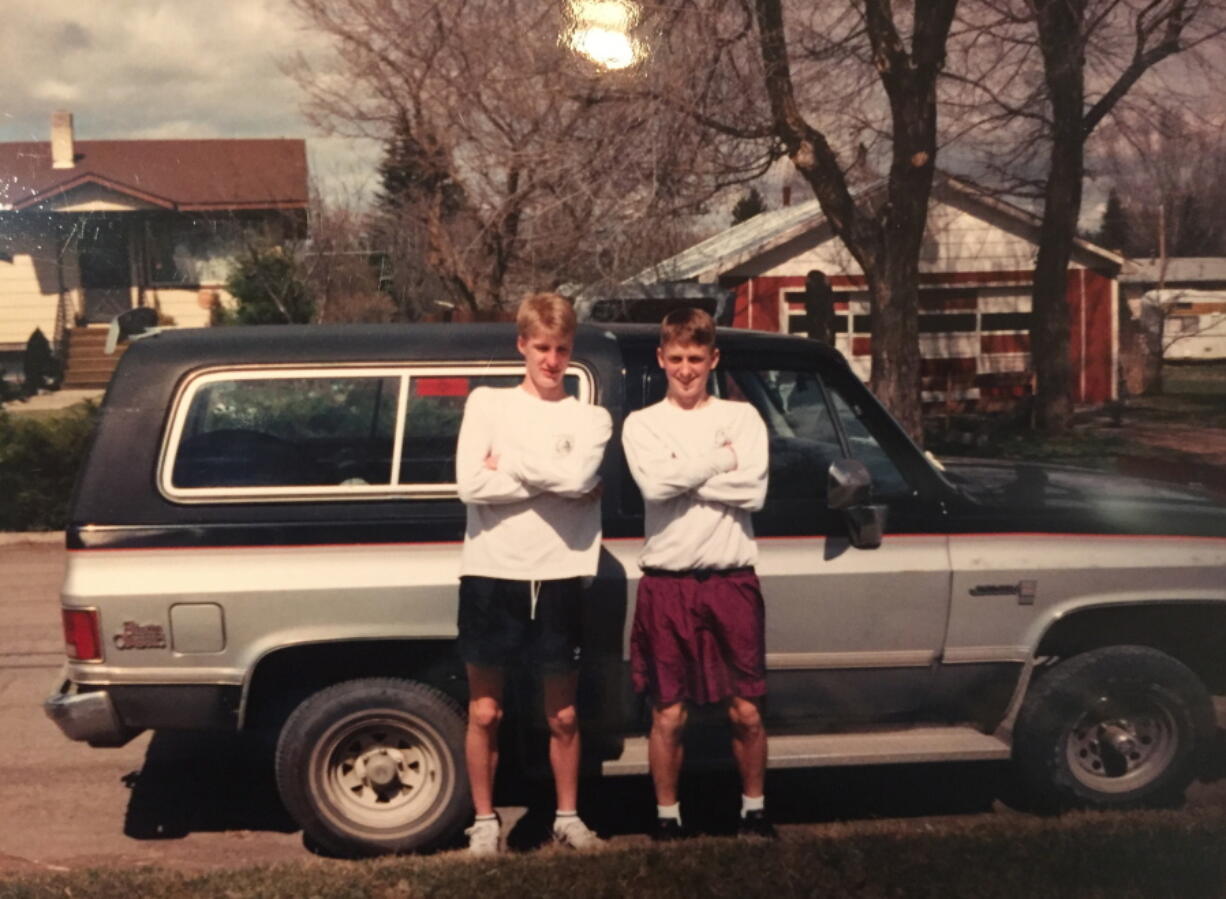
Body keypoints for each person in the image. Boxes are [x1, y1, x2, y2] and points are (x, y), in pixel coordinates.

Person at [454, 293, 613, 855]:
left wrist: (513, 464)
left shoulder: (590, 417)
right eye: (541, 347)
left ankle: (567, 817)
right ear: (522, 344)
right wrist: (560, 481)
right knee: (486, 710)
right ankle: (484, 822)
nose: (552, 360)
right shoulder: (486, 404)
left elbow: (578, 482)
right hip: (491, 572)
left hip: (561, 573)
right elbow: (471, 486)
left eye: (562, 349)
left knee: (564, 715)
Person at [621, 306, 775, 841]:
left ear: (714, 359)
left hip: (732, 580)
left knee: (747, 711)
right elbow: (653, 489)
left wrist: (681, 474)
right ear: (661, 359)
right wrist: (719, 462)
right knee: (669, 714)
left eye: (696, 359)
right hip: (667, 583)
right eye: (677, 359)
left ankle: (754, 812)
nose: (686, 370)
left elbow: (754, 493)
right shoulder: (641, 424)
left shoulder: (743, 418)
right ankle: (667, 819)